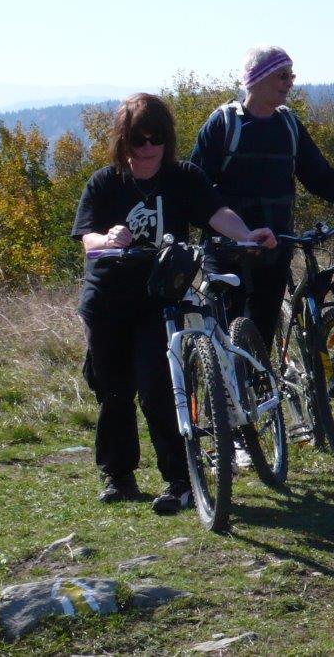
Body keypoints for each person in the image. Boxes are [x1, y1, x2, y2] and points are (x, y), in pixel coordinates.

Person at [72, 93, 276, 513]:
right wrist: (107, 239)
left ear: (168, 139)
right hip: (107, 301)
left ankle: (181, 479)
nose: (148, 147)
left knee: (159, 389)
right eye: (138, 138)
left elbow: (217, 213)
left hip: (159, 298)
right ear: (123, 140)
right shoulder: (104, 182)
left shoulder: (183, 177)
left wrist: (246, 235)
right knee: (113, 391)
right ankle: (118, 476)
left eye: (156, 137)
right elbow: (87, 239)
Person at [189, 45, 334, 346]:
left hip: (275, 247)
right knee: (225, 345)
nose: (289, 83)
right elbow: (195, 187)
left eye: (291, 76)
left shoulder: (289, 125)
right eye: (282, 75)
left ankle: (263, 376)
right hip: (227, 251)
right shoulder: (224, 124)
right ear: (256, 78)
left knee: (262, 341)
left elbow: (320, 177)